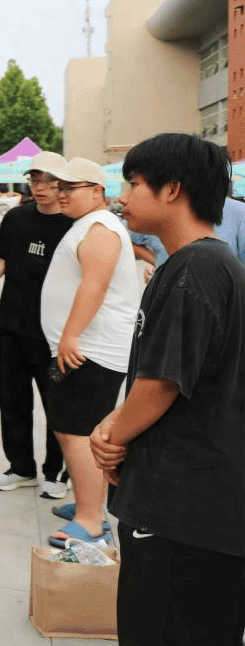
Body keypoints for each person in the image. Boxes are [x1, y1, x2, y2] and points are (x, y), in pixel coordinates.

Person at [90, 133, 245, 645]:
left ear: (172, 189)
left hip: (183, 514)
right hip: (196, 508)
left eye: (134, 183)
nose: (124, 195)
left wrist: (111, 437)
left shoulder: (196, 269)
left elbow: (160, 383)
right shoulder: (194, 265)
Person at [40, 156, 140, 547]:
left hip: (90, 349)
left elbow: (94, 287)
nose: (61, 194)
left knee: (77, 431)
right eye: (58, 186)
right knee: (70, 428)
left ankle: (91, 519)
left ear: (98, 191)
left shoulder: (100, 227)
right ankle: (87, 502)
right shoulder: (88, 224)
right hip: (85, 346)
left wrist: (69, 336)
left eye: (70, 187)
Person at [0, 151, 74, 499]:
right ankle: (22, 467)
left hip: (55, 334)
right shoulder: (17, 218)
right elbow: (0, 261)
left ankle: (56, 472)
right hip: (12, 325)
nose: (40, 187)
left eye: (48, 180)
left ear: (63, 183)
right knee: (12, 400)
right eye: (35, 180)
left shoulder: (76, 225)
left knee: (56, 403)